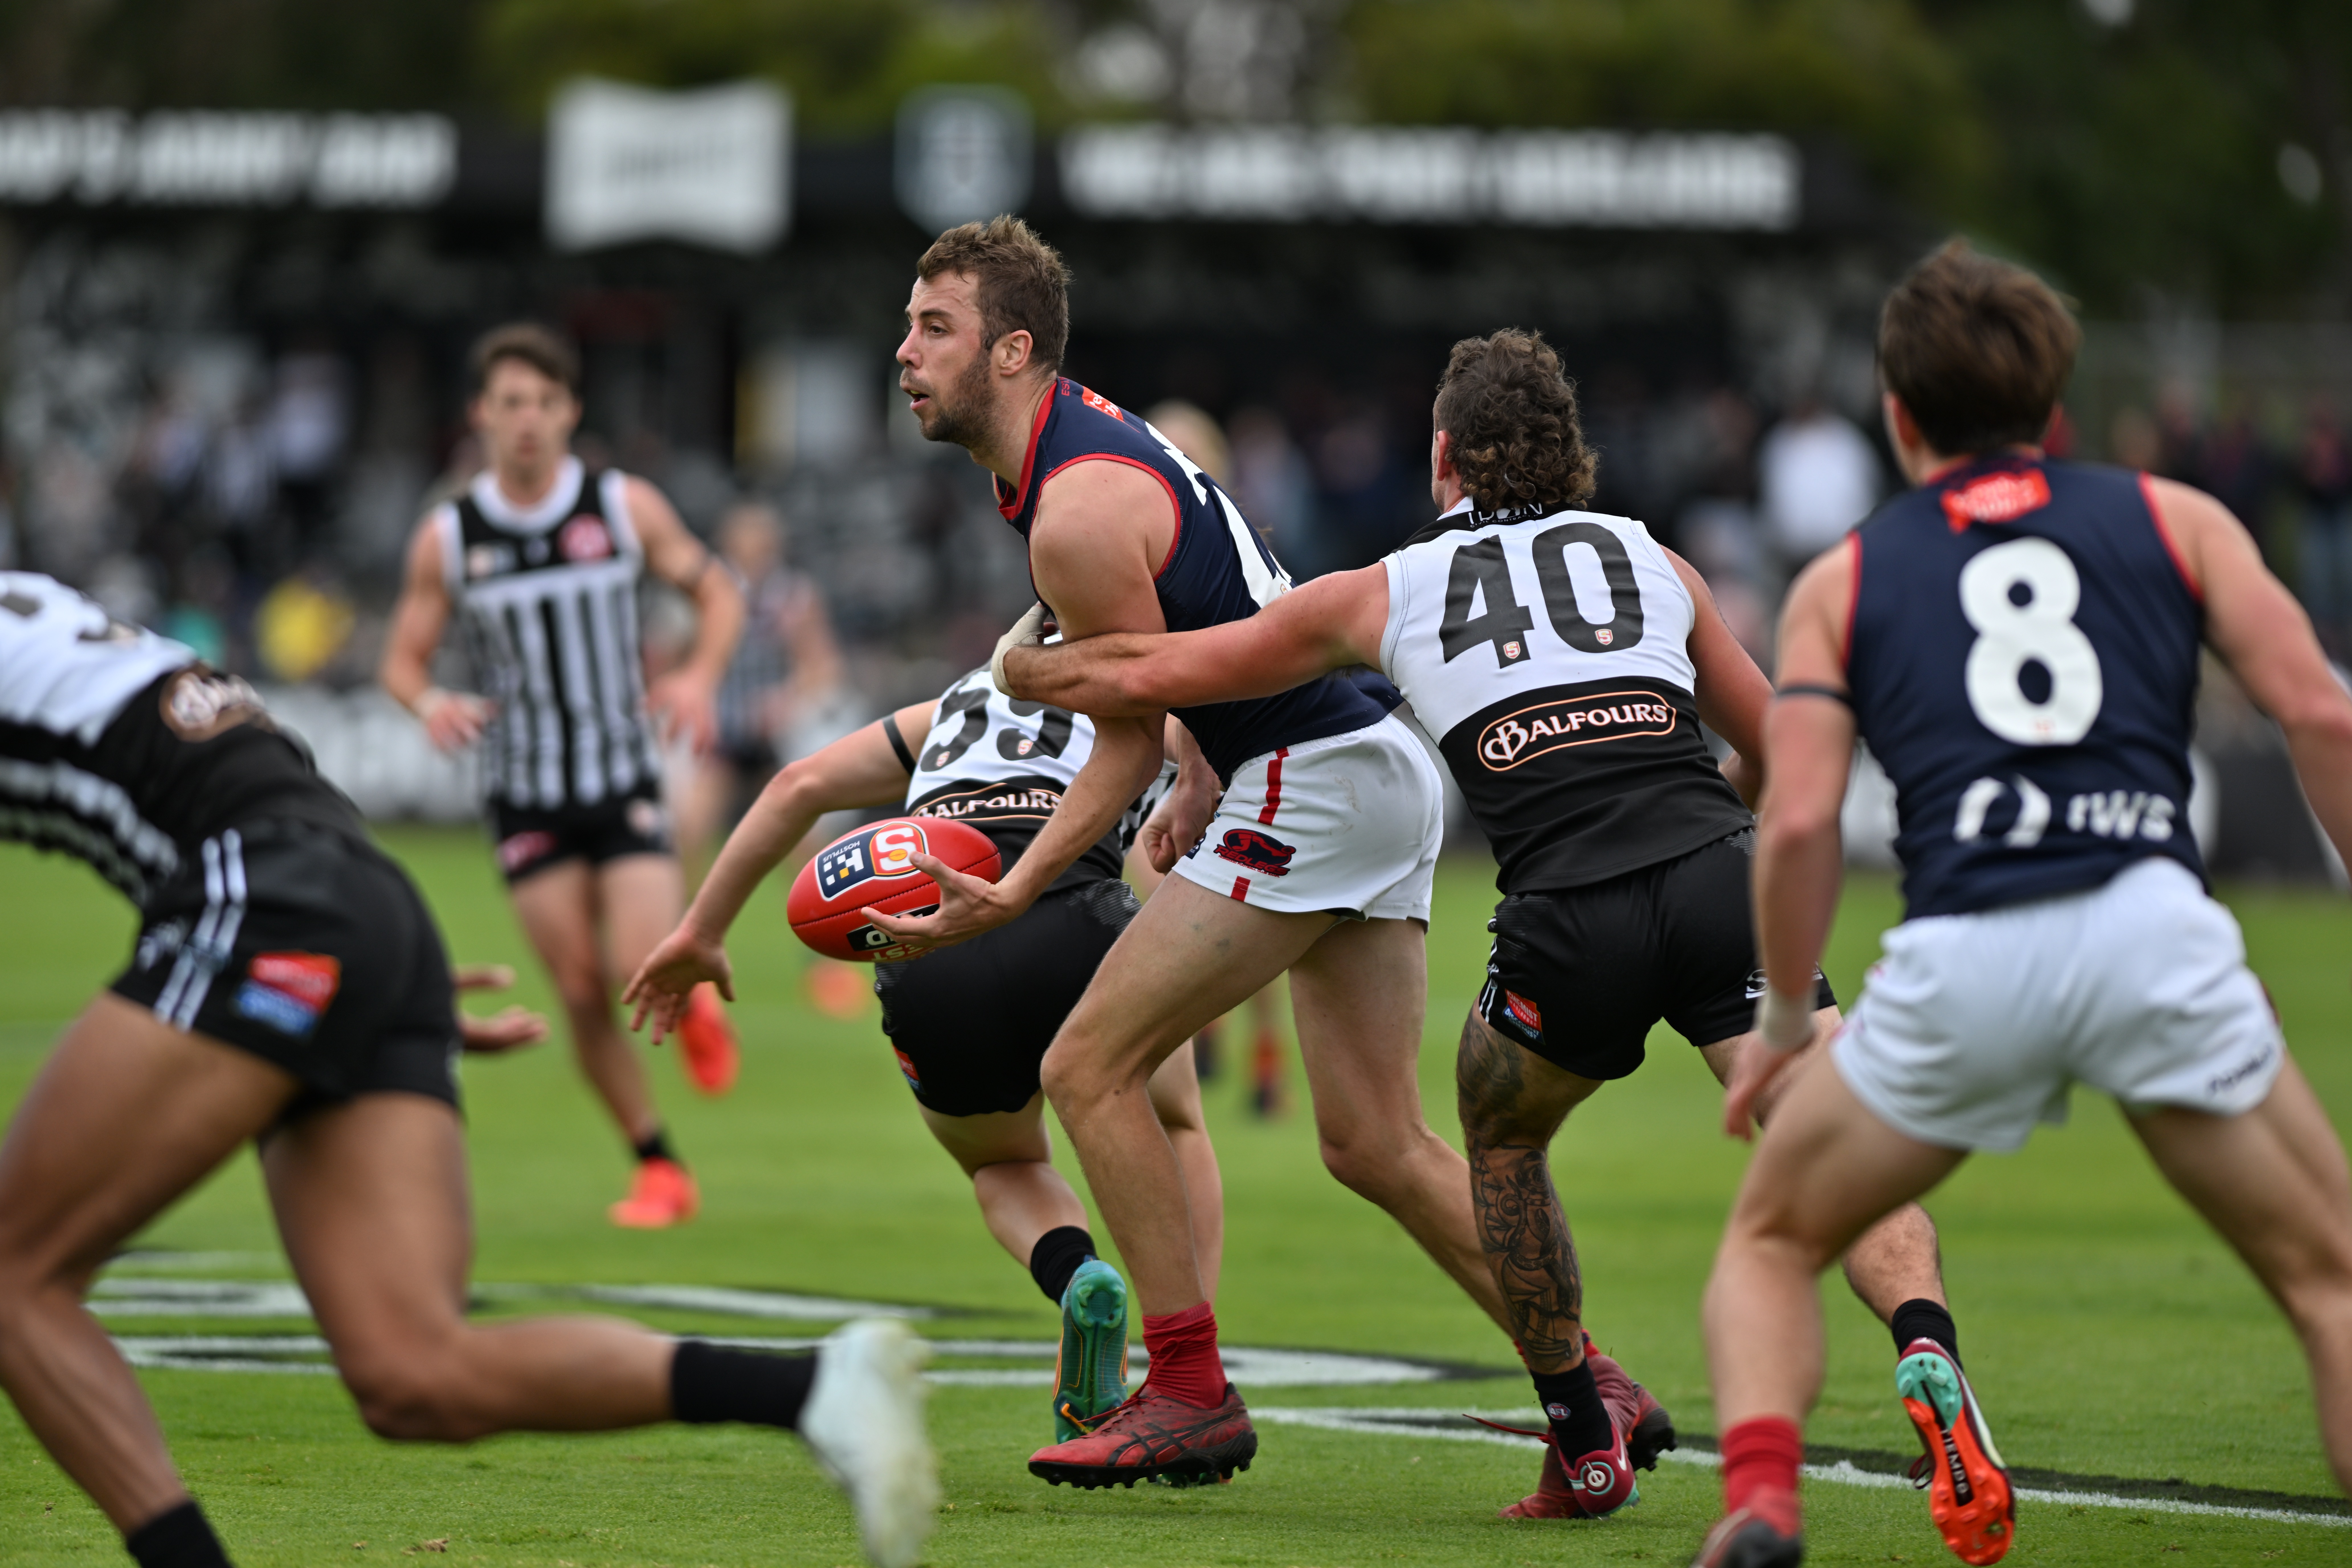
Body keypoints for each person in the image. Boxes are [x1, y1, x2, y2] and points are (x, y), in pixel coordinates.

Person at [998, 328, 1973, 1520]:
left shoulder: (1394, 583)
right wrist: (1718, 845)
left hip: (1560, 906)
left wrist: (1036, 673)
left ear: (1445, 456)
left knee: (1486, 1144)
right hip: (1717, 865)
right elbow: (1785, 747)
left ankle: (1552, 1419)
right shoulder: (1656, 561)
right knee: (1818, 1135)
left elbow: (1182, 666)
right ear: (1576, 459)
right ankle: (1926, 1344)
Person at [0, 571, 938, 1568]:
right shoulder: (41, 606)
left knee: (17, 1274)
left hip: (271, 908)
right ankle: (813, 1389)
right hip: (358, 902)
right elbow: (264, 760)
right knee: (414, 1374)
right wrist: (374, 972)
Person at [1695, 241, 2352, 1568]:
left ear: (1895, 415)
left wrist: (1774, 1020)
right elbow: (2317, 710)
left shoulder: (1845, 575)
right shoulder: (2177, 519)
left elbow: (1807, 818)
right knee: (2326, 1280)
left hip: (1963, 959)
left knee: (1768, 1240)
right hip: (2150, 933)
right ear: (2054, 407)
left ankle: (1760, 1509)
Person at [877, 217, 1509, 1490]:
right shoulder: (1076, 460)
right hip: (1370, 766)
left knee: (1088, 1066)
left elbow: (1123, 733)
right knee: (1377, 1144)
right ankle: (1588, 1379)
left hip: (1321, 773)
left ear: (1011, 351)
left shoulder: (1073, 506)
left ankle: (1186, 1388)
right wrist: (1188, 771)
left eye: (933, 328)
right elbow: (1169, 682)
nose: (904, 352)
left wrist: (1008, 887)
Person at [624, 666, 1222, 1444]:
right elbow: (1204, 736)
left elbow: (795, 787)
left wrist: (701, 932)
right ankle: (1185, 1369)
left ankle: (1076, 1273)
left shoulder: (953, 705)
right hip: (1080, 920)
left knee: (1002, 1167)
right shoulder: (1141, 675)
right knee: (1175, 1122)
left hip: (932, 944)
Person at [380, 324, 746, 1228]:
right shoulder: (449, 534)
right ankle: (658, 1163)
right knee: (580, 988)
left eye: (545, 403)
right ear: (481, 415)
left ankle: (693, 1000)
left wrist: (698, 675)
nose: (528, 421)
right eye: (510, 403)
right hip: (525, 790)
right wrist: (428, 701)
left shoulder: (622, 508)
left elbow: (720, 592)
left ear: (570, 411)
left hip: (619, 771)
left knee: (639, 962)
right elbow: (401, 659)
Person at [674, 499, 847, 861]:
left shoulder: (794, 595)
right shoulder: (713, 590)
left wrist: (786, 698)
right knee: (690, 830)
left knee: (801, 835)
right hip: (722, 729)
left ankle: (827, 909)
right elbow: (675, 651)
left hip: (773, 734)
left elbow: (823, 665)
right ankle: (678, 912)